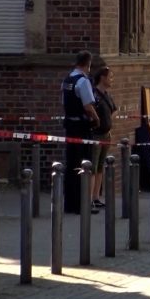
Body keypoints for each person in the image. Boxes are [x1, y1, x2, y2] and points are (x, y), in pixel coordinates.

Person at [61, 50, 100, 214]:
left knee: (71, 164)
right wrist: (97, 119)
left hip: (70, 125)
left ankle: (70, 203)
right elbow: (88, 106)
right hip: (82, 127)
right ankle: (81, 204)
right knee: (84, 164)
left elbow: (64, 103)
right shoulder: (83, 81)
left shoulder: (67, 80)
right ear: (88, 64)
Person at [91, 66, 116, 212]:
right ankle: (89, 199)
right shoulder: (95, 94)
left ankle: (96, 197)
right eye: (110, 76)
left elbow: (113, 110)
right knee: (93, 166)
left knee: (100, 166)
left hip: (106, 134)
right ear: (102, 77)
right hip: (96, 135)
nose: (111, 79)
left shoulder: (107, 95)